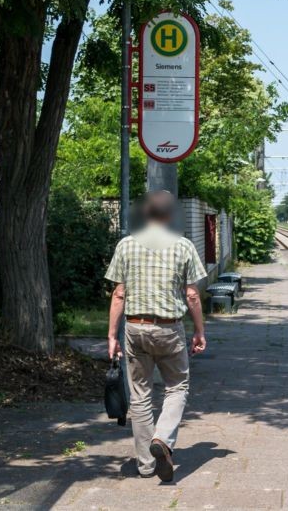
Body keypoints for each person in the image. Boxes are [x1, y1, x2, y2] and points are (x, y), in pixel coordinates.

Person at [105, 190, 207, 482]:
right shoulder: (183, 246)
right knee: (177, 387)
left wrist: (112, 335)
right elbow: (191, 294)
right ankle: (162, 438)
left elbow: (119, 293)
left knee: (140, 395)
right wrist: (199, 330)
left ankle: (147, 465)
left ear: (146, 214)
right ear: (170, 215)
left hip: (135, 328)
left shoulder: (126, 245)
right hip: (169, 329)